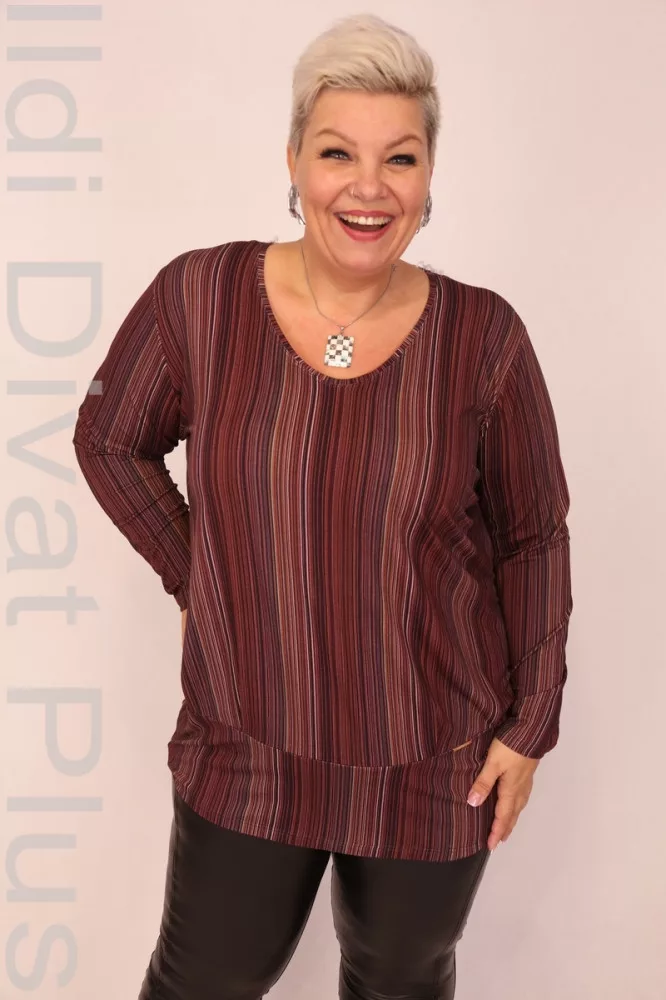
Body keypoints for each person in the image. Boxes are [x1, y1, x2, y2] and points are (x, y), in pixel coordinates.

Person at [72, 12, 573, 1000]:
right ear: (295, 159)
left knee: (401, 984)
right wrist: (195, 572)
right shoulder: (202, 299)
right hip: (249, 744)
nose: (368, 186)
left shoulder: (484, 338)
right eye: (339, 151)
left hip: (432, 756)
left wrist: (531, 724)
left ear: (429, 176)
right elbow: (109, 439)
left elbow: (533, 537)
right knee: (200, 983)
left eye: (401, 157)